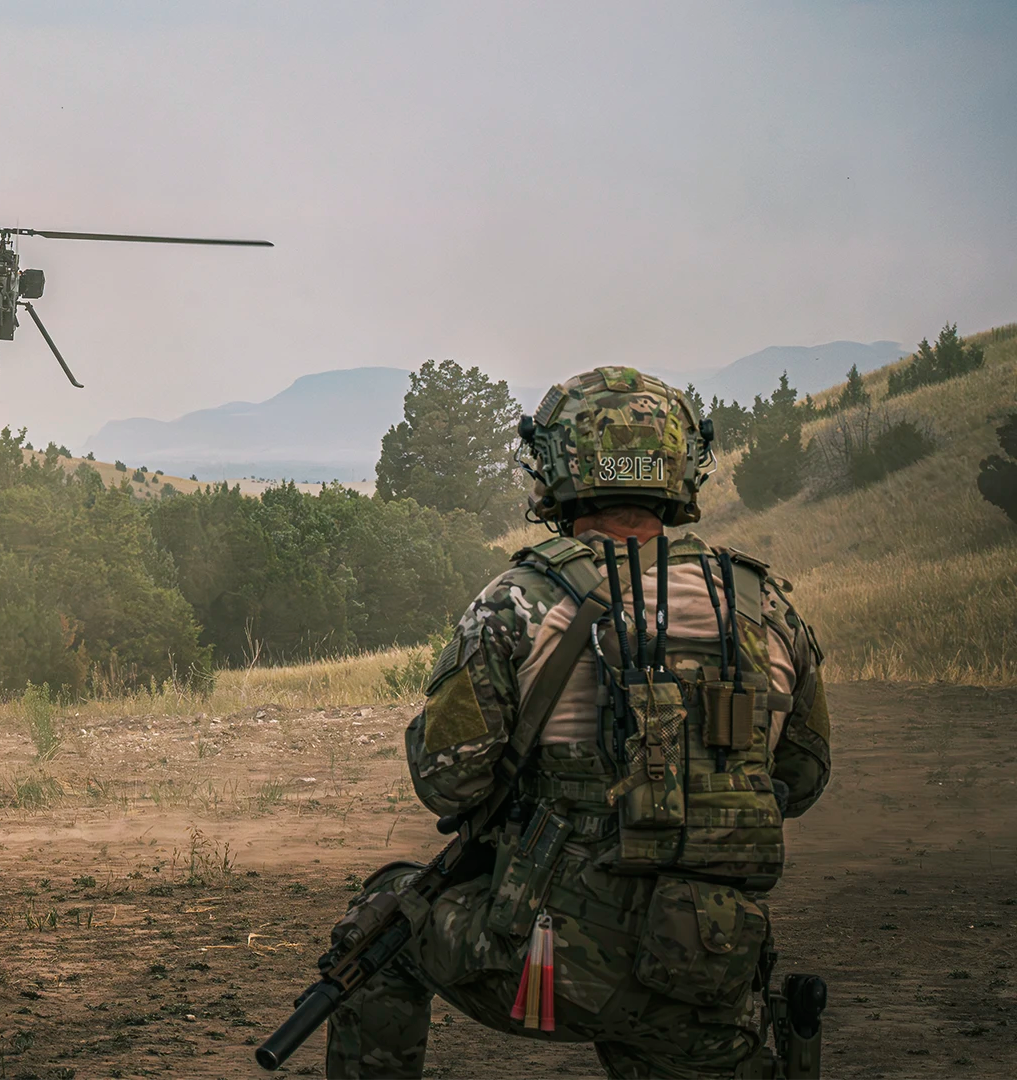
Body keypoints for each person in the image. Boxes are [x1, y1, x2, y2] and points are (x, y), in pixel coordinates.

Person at [326, 366, 832, 1079]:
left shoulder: (519, 600)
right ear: (682, 465)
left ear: (558, 467)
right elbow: (801, 780)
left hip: (551, 965)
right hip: (705, 963)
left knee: (379, 924)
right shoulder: (762, 606)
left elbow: (447, 782)